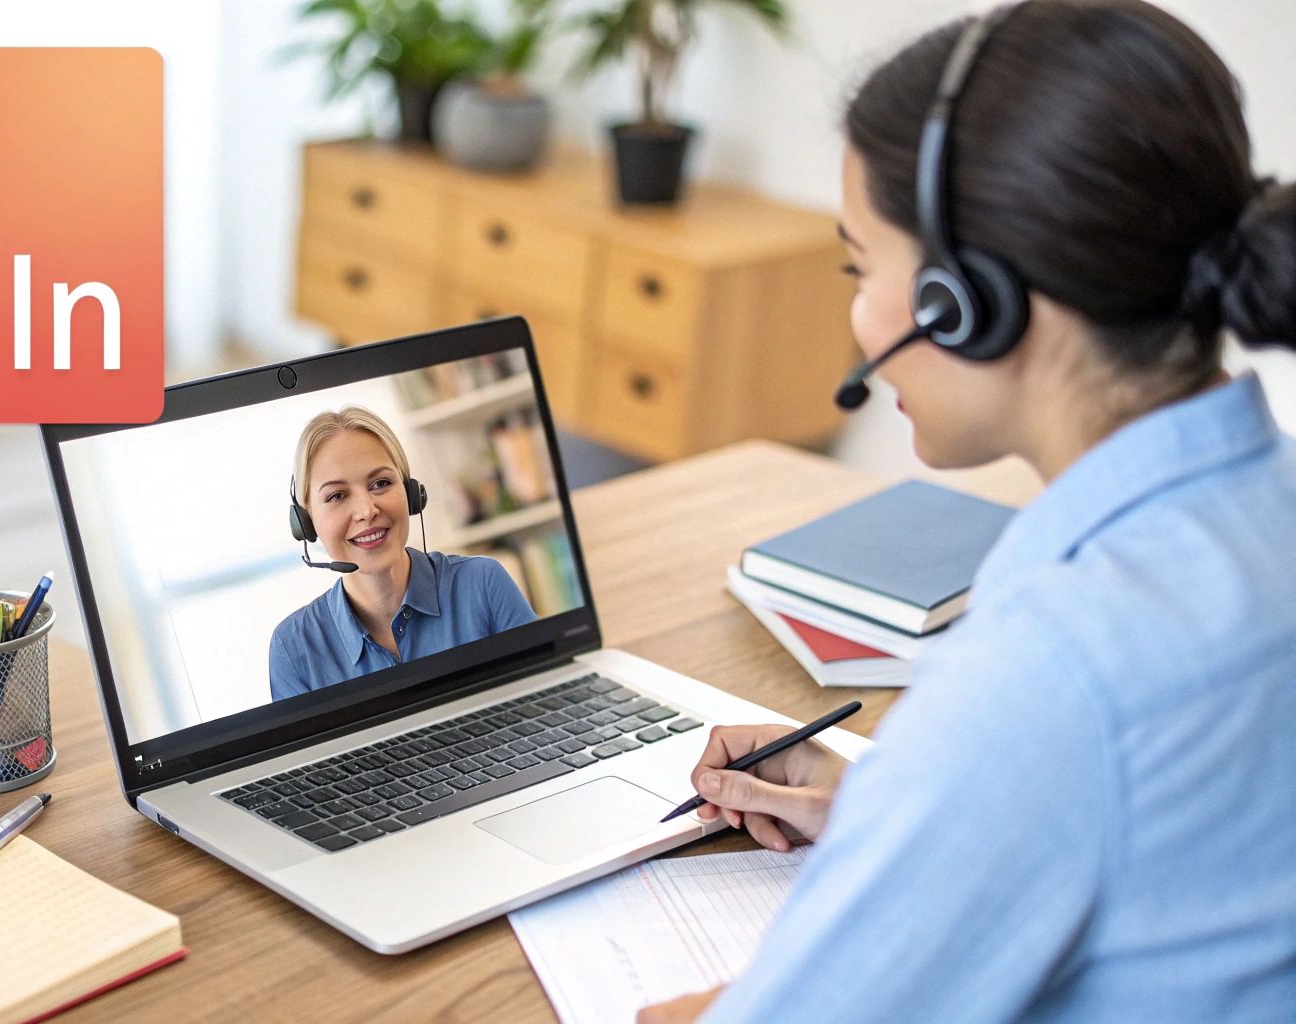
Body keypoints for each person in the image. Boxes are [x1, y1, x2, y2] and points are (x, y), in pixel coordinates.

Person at [641, 2, 1296, 1020]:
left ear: (967, 300)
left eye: (859, 265)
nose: (855, 313)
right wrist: (903, 808)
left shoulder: (1058, 665)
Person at [269, 406, 537, 701]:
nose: (367, 511)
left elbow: (545, 706)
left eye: (381, 484)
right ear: (306, 522)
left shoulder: (482, 584)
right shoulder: (293, 650)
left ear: (411, 494)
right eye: (337, 496)